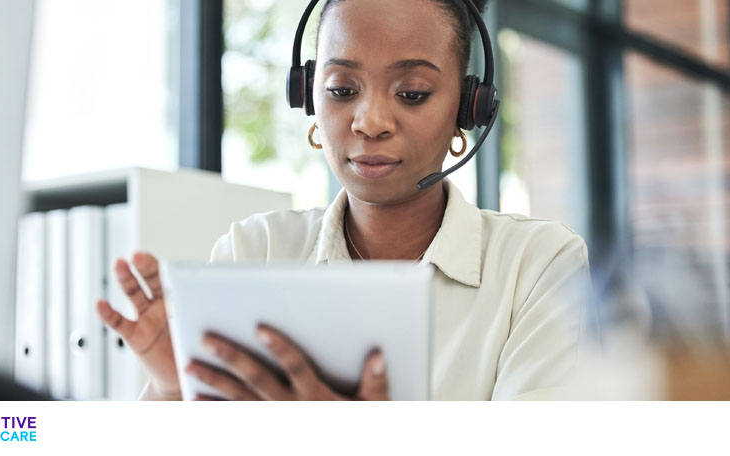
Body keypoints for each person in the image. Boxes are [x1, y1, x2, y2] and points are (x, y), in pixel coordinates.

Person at [95, 0, 590, 401]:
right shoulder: (256, 250)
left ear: (468, 107)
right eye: (342, 89)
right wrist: (170, 392)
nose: (370, 121)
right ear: (310, 98)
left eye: (413, 93)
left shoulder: (538, 265)